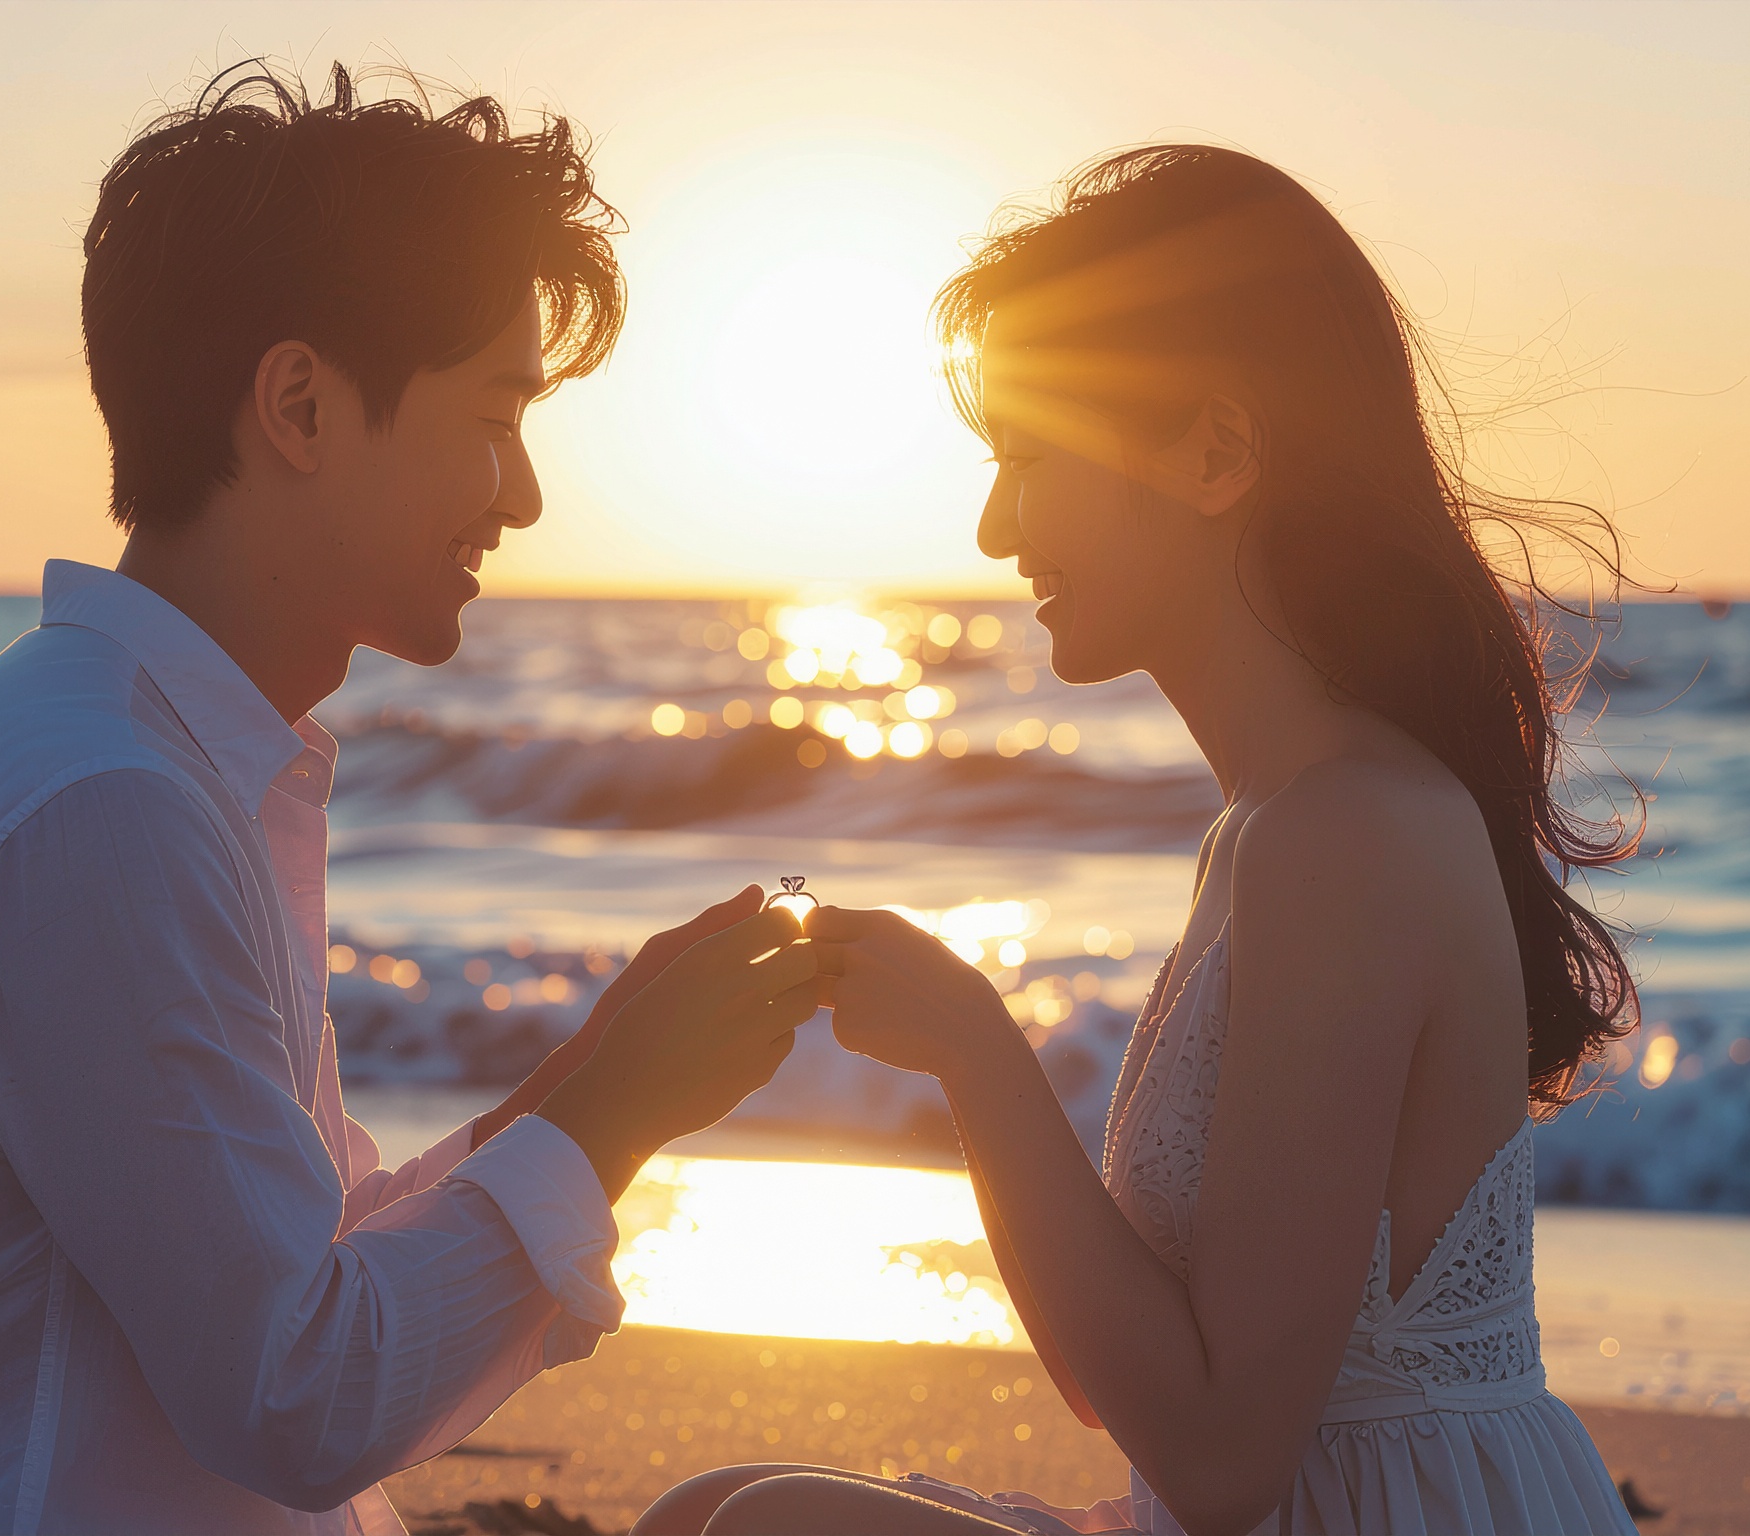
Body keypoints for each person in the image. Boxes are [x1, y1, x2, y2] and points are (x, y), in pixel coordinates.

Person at [0, 67, 822, 1536]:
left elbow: (306, 1257)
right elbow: (298, 1389)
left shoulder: (158, 758)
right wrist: (614, 1109)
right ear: (300, 404)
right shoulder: (104, 808)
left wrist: (591, 1076)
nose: (522, 495)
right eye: (494, 414)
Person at [637, 146, 1642, 1536]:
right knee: (713, 1507)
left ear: (1217, 454)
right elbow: (1116, 1389)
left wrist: (981, 1053)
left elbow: (1222, 1466)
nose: (995, 527)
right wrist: (952, 1051)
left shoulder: (1346, 833)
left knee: (751, 1532)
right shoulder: (1265, 828)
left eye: (1028, 457)